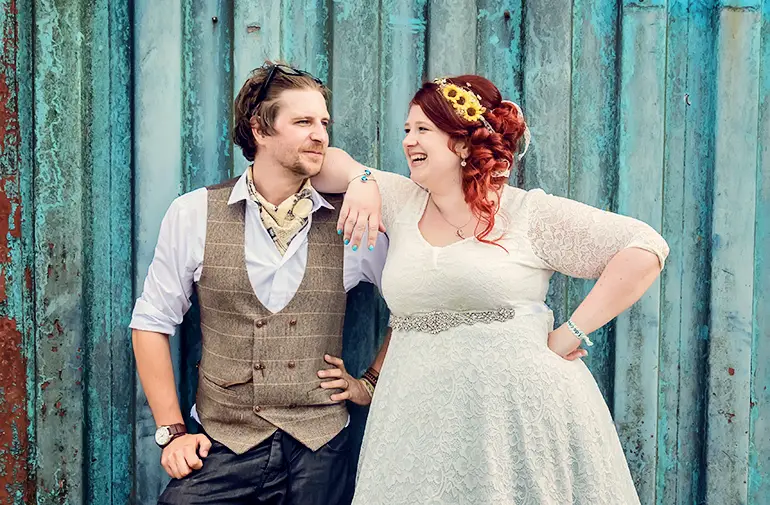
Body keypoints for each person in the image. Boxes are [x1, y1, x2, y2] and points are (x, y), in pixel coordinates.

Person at [312, 75, 670, 504]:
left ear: (463, 144)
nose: (409, 141)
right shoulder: (402, 199)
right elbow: (323, 163)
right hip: (417, 425)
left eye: (423, 129)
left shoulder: (526, 213)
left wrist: (571, 333)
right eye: (406, 130)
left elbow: (644, 248)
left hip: (517, 421)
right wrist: (365, 179)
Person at [130, 62, 387, 505]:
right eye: (303, 121)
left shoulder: (352, 218)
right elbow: (151, 322)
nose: (320, 135)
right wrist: (173, 433)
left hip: (321, 445)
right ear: (260, 128)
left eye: (324, 122)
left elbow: (416, 307)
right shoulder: (194, 213)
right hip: (224, 442)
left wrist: (370, 380)